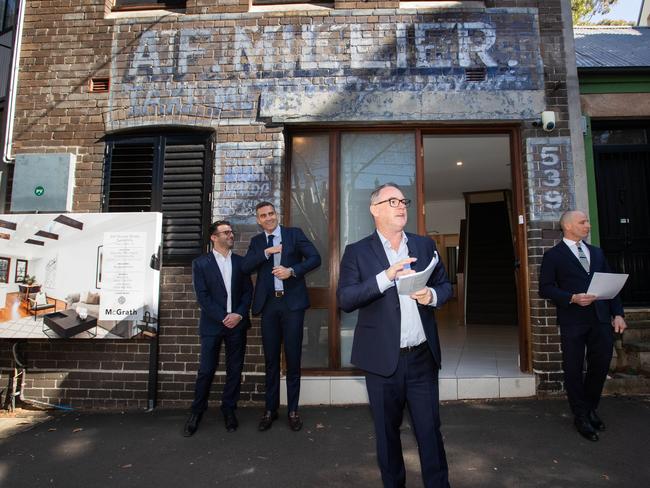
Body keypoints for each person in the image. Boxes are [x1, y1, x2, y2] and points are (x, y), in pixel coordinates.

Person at [337, 183, 453, 488]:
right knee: (387, 436)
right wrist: (386, 277)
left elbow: (445, 286)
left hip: (421, 359)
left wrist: (433, 295)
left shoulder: (424, 245)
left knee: (430, 432)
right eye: (392, 201)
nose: (401, 206)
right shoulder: (357, 252)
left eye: (403, 201)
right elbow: (346, 299)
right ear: (374, 209)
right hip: (381, 362)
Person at [539, 210, 626, 442]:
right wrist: (571, 297)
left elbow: (611, 285)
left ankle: (589, 408)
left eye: (587, 221)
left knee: (600, 366)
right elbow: (545, 288)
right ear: (568, 226)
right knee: (574, 368)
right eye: (583, 222)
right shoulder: (553, 256)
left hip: (601, 319)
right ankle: (580, 415)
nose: (588, 225)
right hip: (573, 320)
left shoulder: (596, 253)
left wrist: (618, 314)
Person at [241, 201, 321, 432]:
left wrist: (292, 271)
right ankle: (270, 409)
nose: (268, 218)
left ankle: (293, 410)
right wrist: (266, 252)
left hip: (292, 304)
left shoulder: (293, 234)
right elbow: (246, 267)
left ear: (277, 214)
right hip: (269, 306)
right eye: (263, 216)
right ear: (258, 220)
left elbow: (315, 258)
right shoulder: (258, 242)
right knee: (271, 360)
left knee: (293, 358)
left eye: (271, 213)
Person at [183, 220, 253, 436]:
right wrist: (224, 317)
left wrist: (238, 315)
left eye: (231, 232)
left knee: (235, 369)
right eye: (226, 232)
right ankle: (197, 411)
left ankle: (229, 409)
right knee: (206, 370)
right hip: (213, 325)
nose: (230, 235)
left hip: (237, 324)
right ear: (214, 237)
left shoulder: (242, 263)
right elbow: (202, 297)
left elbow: (247, 293)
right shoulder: (201, 263)